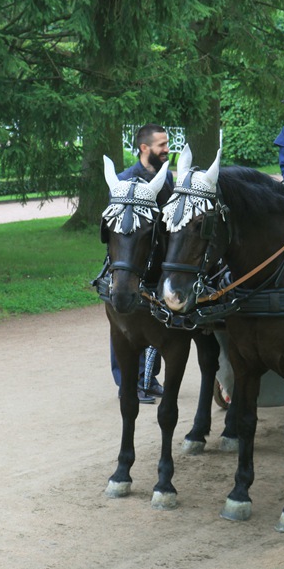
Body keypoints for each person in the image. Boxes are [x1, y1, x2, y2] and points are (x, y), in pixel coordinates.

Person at [109, 123, 172, 403]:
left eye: (167, 143)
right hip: (131, 263)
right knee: (124, 322)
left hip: (159, 261)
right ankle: (127, 383)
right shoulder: (123, 180)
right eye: (162, 145)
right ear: (144, 148)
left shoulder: (167, 178)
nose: (167, 149)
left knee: (159, 321)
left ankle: (149, 378)